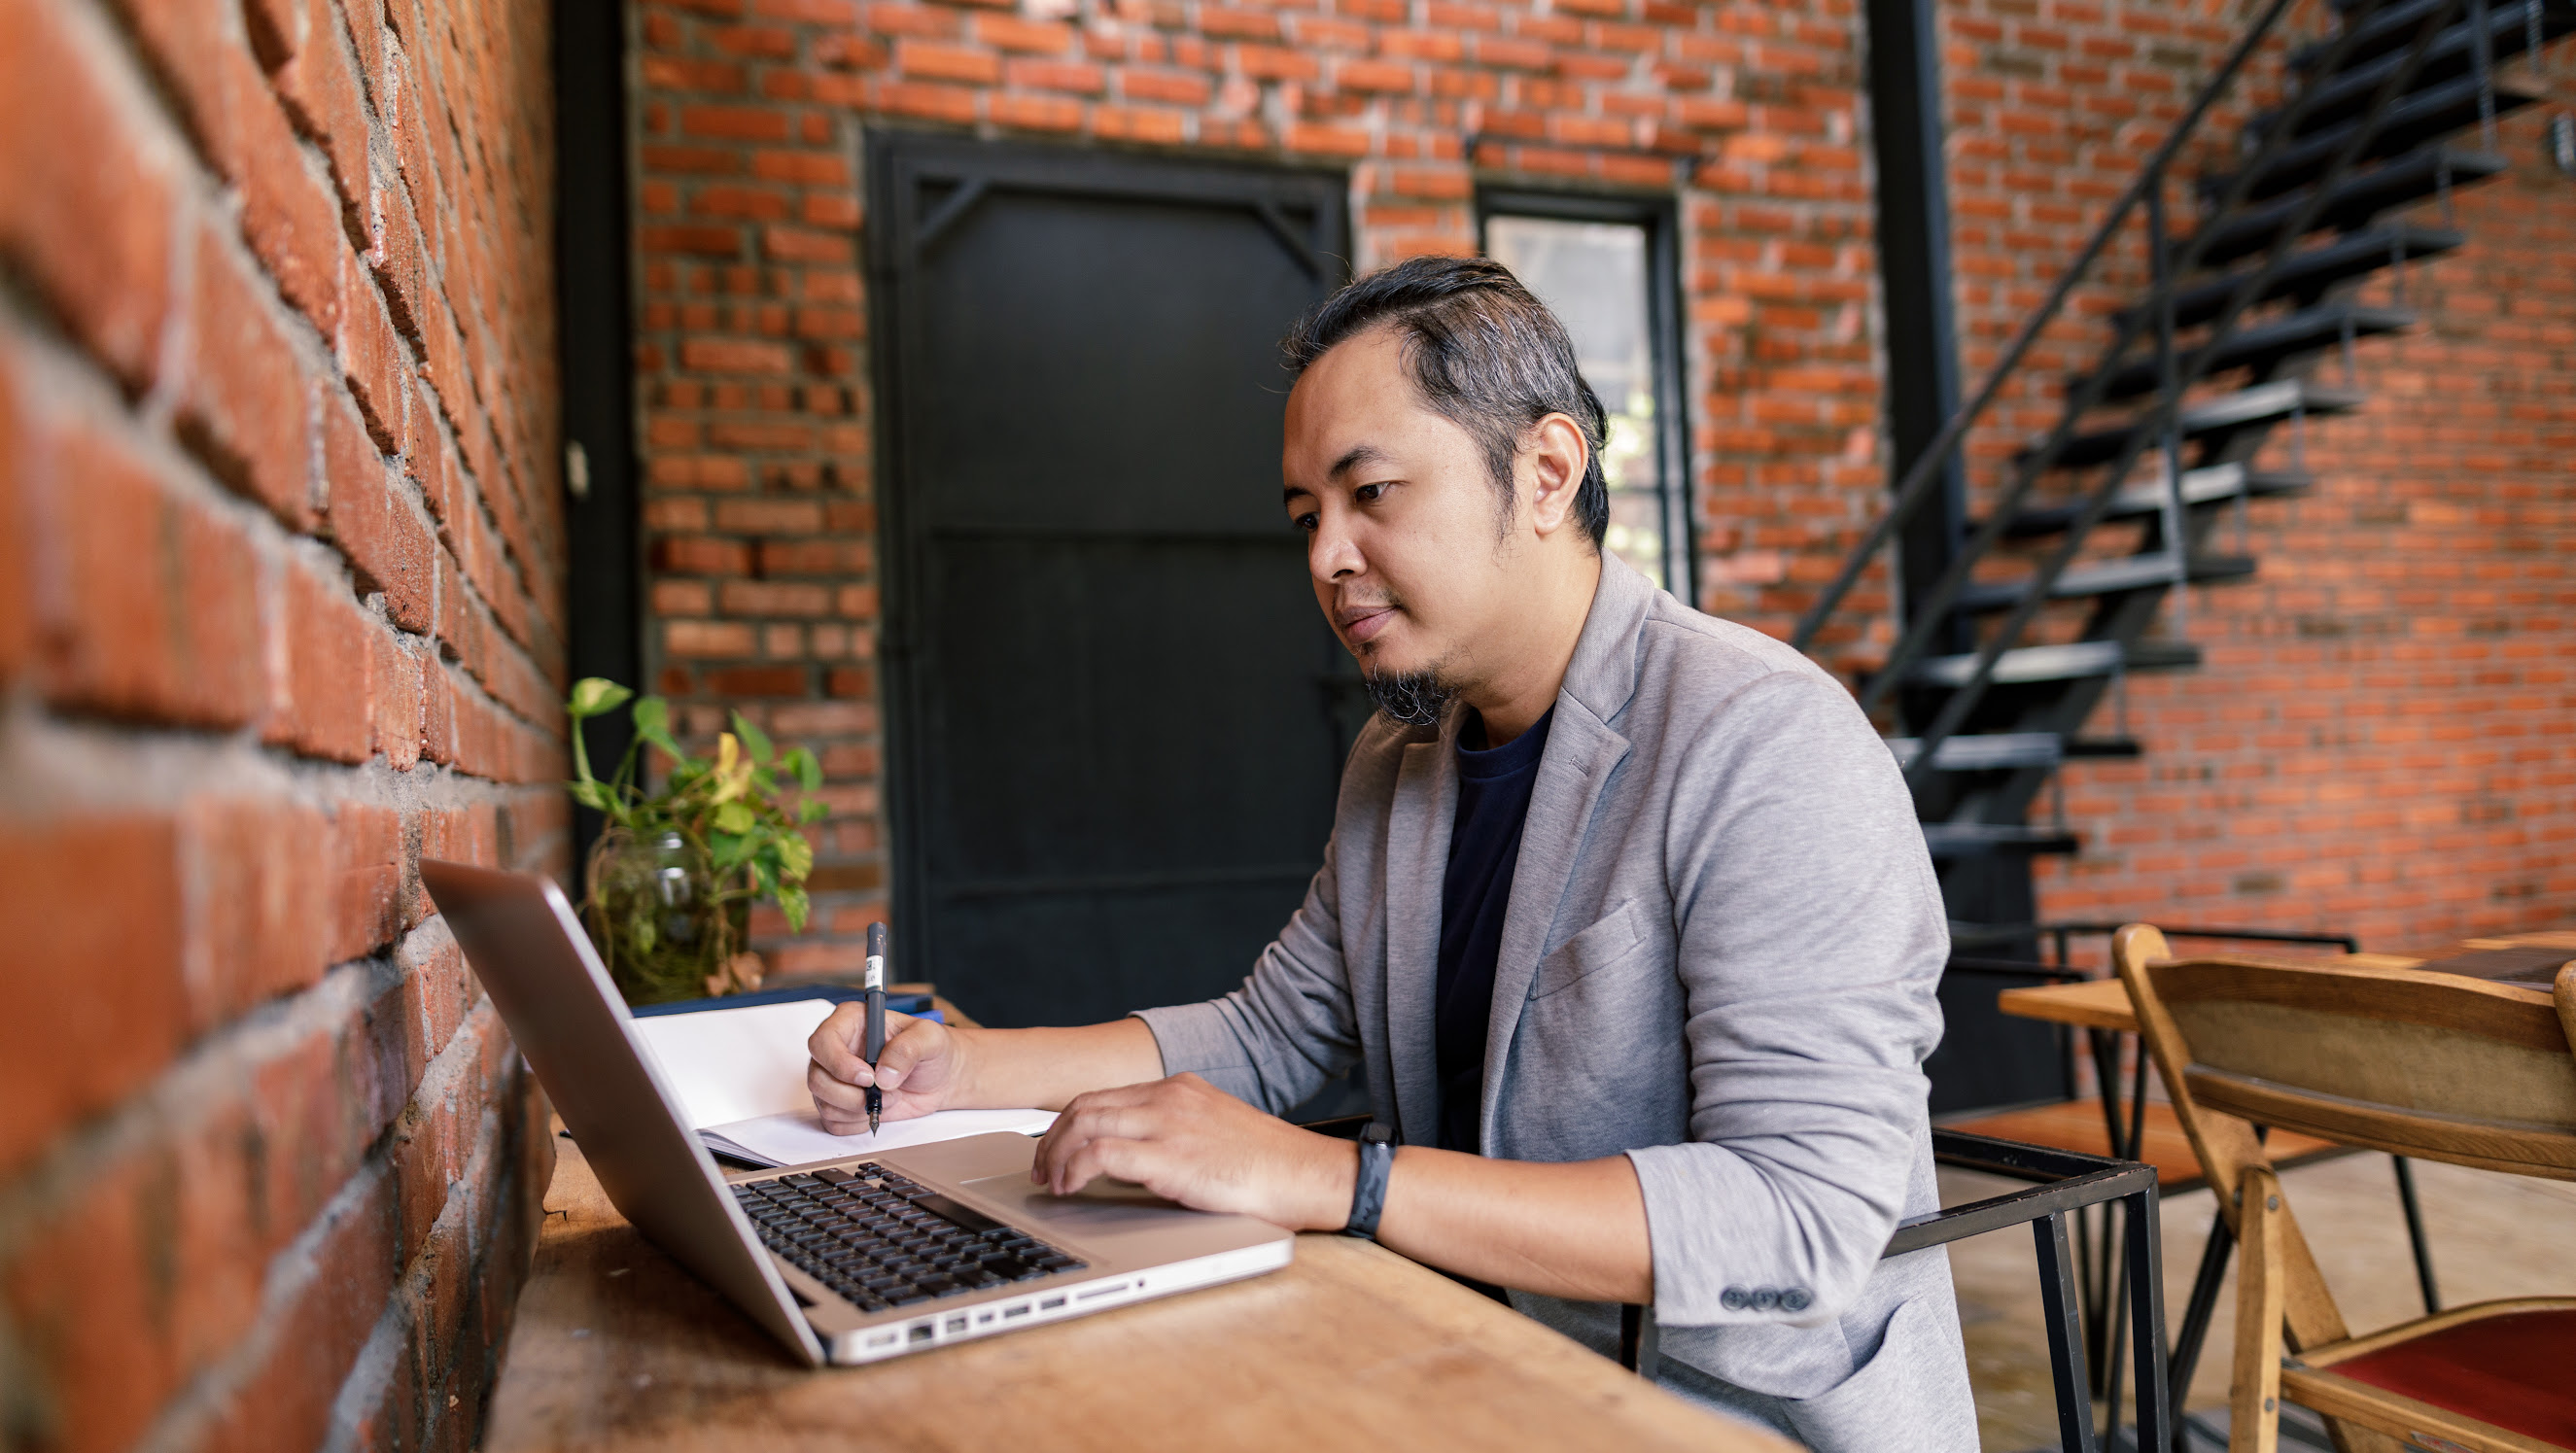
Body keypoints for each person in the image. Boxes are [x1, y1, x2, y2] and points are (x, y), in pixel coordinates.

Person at [806, 255, 1975, 1448]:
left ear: (1546, 471)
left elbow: (1797, 1214)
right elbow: (1273, 1036)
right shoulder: (1400, 756)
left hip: (1724, 1410)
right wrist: (960, 1066)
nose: (1326, 558)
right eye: (1309, 517)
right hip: (1471, 1358)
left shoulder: (1763, 735)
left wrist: (1337, 1183)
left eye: (1372, 495)